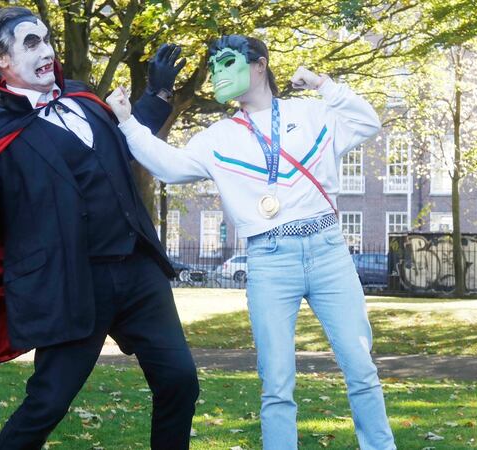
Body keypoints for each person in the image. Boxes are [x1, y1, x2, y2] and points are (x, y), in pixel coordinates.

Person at [107, 35, 396, 450]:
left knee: (360, 369)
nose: (218, 73)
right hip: (269, 258)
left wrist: (322, 84)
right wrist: (127, 120)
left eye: (227, 61)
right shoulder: (218, 136)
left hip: (328, 251)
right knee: (277, 383)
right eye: (214, 67)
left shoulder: (312, 113)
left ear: (259, 65)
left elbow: (368, 122)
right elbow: (168, 166)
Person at [0, 7, 197, 449]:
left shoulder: (81, 98)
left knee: (180, 381)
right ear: (1, 58)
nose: (47, 51)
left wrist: (156, 93)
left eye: (47, 39)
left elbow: (127, 144)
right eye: (31, 43)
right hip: (71, 284)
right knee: (47, 403)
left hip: (137, 271)